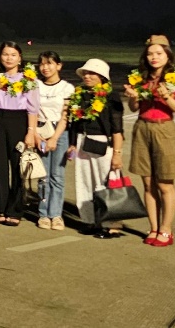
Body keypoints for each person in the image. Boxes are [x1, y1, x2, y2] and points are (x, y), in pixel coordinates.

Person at [122, 35, 175, 247]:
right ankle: (153, 227)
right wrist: (133, 96)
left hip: (164, 130)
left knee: (164, 184)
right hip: (142, 128)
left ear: (168, 55)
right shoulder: (140, 78)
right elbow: (134, 108)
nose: (154, 57)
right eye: (150, 53)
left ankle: (166, 230)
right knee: (148, 183)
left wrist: (167, 97)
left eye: (159, 53)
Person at [0, 41, 39, 226]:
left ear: (20, 58)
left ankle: (15, 210)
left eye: (13, 54)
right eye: (5, 54)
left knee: (17, 167)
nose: (9, 58)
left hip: (18, 121)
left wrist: (30, 132)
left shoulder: (28, 79)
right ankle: (1, 208)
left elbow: (33, 109)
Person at [68, 59, 127, 239]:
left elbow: (117, 129)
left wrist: (117, 154)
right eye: (85, 73)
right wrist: (72, 144)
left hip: (103, 143)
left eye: (92, 73)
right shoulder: (80, 95)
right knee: (84, 182)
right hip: (83, 141)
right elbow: (74, 123)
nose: (87, 76)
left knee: (106, 184)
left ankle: (112, 224)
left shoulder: (111, 97)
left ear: (102, 76)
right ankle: (90, 220)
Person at [34, 50, 75, 230]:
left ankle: (56, 214)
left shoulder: (66, 87)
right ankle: (43, 214)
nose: (45, 67)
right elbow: (32, 111)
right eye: (42, 64)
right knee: (43, 176)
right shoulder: (35, 85)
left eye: (50, 63)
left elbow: (65, 116)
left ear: (58, 65)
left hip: (59, 131)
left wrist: (55, 138)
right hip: (40, 130)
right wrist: (36, 134)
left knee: (57, 176)